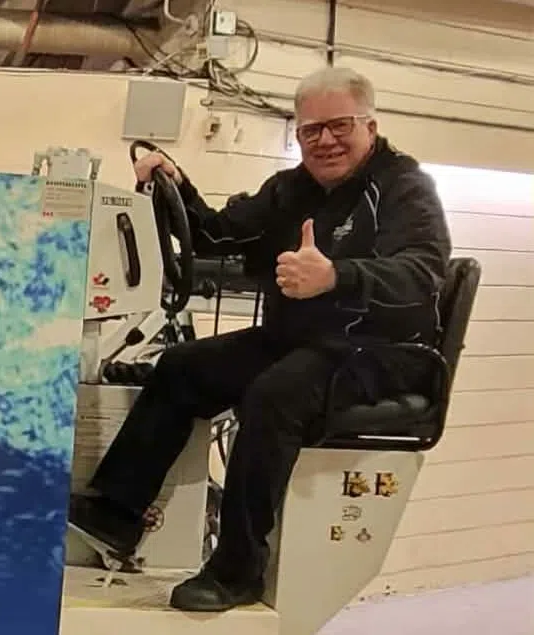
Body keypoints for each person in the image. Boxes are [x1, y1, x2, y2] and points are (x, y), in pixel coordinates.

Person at [67, 66, 452, 612]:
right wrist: (176, 185)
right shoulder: (291, 190)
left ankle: (237, 571)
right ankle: (119, 512)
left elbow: (423, 271)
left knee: (273, 394)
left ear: (370, 124)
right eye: (310, 130)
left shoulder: (404, 188)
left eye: (338, 126)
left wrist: (337, 275)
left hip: (380, 352)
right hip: (301, 340)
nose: (324, 141)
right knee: (183, 365)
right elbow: (216, 232)